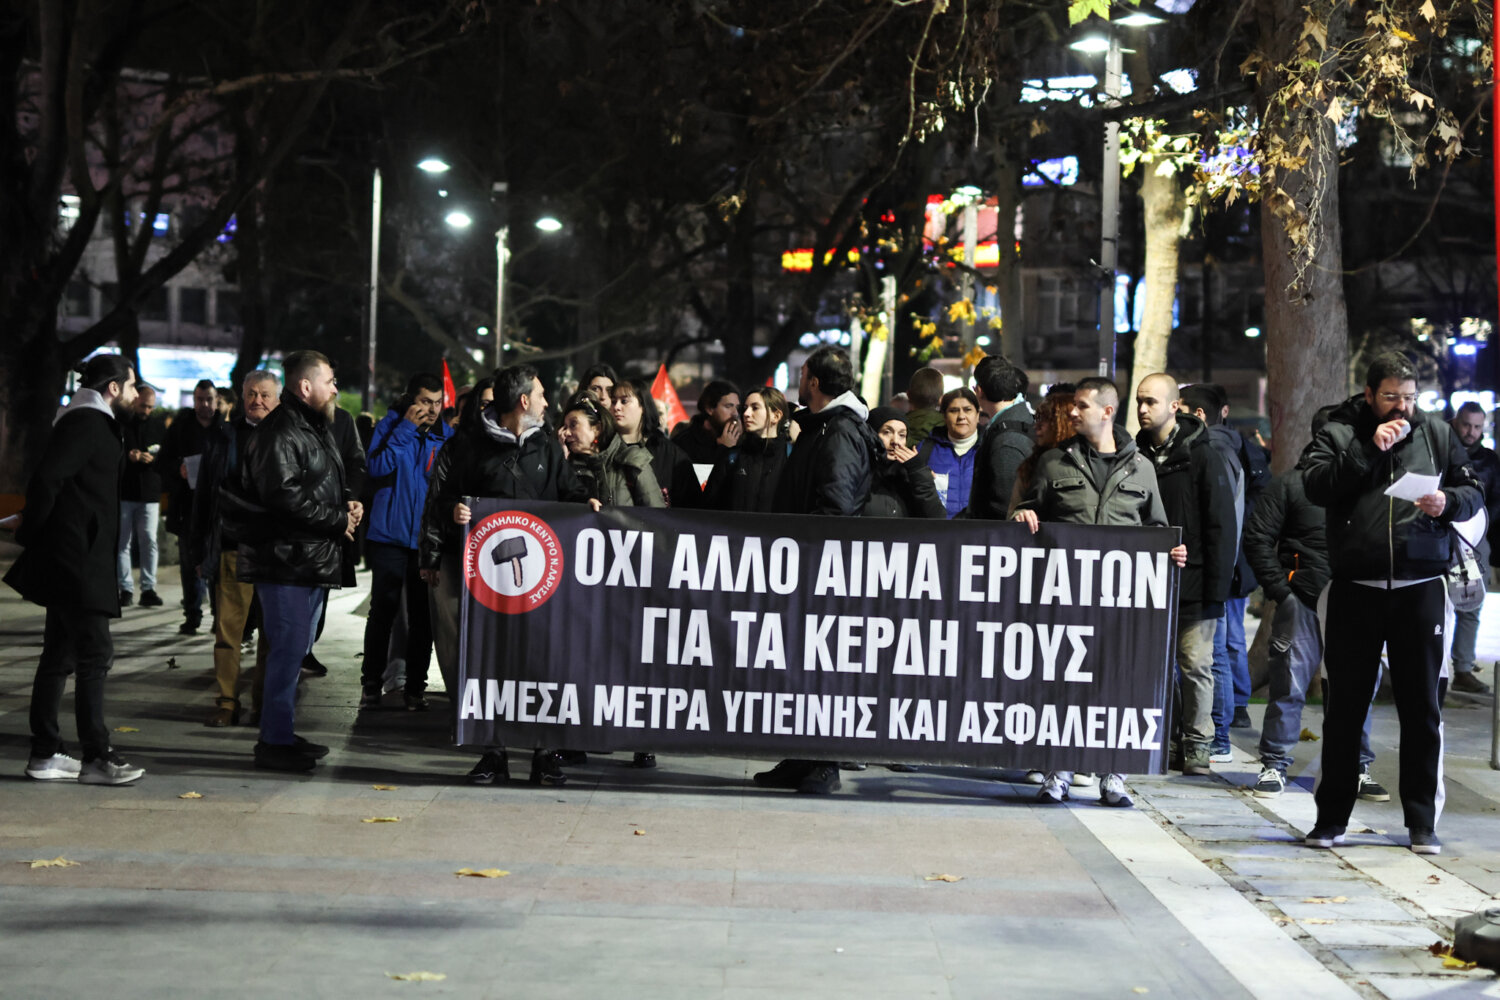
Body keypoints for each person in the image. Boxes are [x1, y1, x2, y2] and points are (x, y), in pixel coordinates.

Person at [1299, 351, 1481, 855]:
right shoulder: (1339, 431)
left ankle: (1422, 822)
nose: (1402, 407)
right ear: (1369, 394)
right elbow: (1315, 486)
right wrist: (1368, 450)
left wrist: (1448, 503)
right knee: (1345, 708)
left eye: (1409, 397)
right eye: (1390, 397)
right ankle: (1330, 819)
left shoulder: (1436, 433)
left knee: (1423, 709)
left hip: (1421, 587)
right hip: (1355, 587)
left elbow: (1472, 490)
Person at [1013, 377, 1188, 807]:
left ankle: (1114, 776)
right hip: (1064, 600)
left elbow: (1157, 529)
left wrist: (1173, 551)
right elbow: (1028, 511)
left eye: (1082, 406)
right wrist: (1020, 516)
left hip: (1121, 604)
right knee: (1062, 686)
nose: (1073, 412)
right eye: (1073, 405)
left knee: (1118, 686)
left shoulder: (1141, 467)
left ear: (1107, 412)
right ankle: (1058, 773)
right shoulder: (1054, 463)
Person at [420, 364, 596, 785]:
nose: (547, 403)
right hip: (487, 582)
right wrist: (454, 512)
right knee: (491, 662)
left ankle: (543, 753)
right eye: (541, 394)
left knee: (541, 660)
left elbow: (567, 491)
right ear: (523, 401)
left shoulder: (547, 447)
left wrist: (586, 503)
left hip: (541, 580)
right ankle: (493, 752)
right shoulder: (470, 446)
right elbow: (443, 497)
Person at [9, 355, 146, 785]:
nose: (136, 393)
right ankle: (96, 757)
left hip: (77, 555)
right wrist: (31, 531)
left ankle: (46, 753)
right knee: (94, 654)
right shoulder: (87, 422)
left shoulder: (92, 421)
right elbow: (48, 479)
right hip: (77, 560)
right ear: (113, 388)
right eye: (132, 386)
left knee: (59, 655)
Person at [1242, 406, 1387, 801]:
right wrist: (1282, 591)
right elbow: (1257, 538)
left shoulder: (1367, 482)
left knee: (1356, 689)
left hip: (1357, 601)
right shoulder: (1292, 484)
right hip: (1303, 601)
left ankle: (1356, 767)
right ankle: (1275, 764)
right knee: (1288, 686)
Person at [235, 351, 362, 772]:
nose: (335, 389)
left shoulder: (311, 425)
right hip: (283, 561)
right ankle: (274, 741)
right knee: (287, 649)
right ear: (306, 386)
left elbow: (321, 481)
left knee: (295, 650)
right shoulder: (281, 431)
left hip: (306, 558)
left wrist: (347, 504)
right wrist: (337, 520)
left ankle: (281, 733)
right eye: (330, 381)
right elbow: (283, 498)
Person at [758, 346, 876, 795]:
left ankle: (825, 761)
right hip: (807, 564)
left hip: (823, 568)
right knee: (801, 666)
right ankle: (802, 754)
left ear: (814, 381)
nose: (799, 381)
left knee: (824, 667)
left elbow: (837, 505)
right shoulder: (822, 424)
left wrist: (808, 550)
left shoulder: (840, 430)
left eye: (803, 373)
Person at [1135, 373, 1238, 777]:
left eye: (1151, 402)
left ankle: (1198, 743)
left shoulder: (1203, 455)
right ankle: (1171, 739)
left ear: (1174, 406)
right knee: (1158, 667)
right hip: (1149, 582)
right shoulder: (1135, 455)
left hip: (1194, 583)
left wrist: (1215, 592)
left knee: (1195, 665)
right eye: (1139, 401)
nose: (1142, 409)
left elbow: (1221, 526)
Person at [189, 370, 281, 727]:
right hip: (232, 547)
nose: (257, 400)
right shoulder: (223, 437)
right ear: (242, 398)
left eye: (265, 395)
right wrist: (199, 550)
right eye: (251, 394)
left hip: (276, 551)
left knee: (272, 636)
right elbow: (204, 495)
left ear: (277, 398)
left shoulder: (289, 436)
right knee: (228, 633)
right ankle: (227, 703)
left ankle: (263, 703)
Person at [359, 374, 452, 711]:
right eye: (425, 401)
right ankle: (371, 683)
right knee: (382, 611)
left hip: (424, 541)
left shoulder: (445, 436)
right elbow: (376, 467)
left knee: (422, 617)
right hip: (388, 535)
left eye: (437, 402)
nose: (432, 409)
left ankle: (415, 688)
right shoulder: (390, 426)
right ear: (411, 399)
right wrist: (405, 430)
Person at [426, 377, 493, 696]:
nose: (488, 411)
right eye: (484, 404)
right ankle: (459, 698)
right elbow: (435, 502)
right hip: (455, 552)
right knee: (451, 630)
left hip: (494, 560)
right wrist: (431, 556)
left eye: (495, 405)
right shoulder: (454, 448)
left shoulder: (516, 448)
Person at [160, 378, 223, 635]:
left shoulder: (225, 429)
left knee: (217, 566)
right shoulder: (181, 429)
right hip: (187, 506)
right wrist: (179, 470)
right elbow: (162, 461)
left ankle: (219, 616)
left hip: (217, 508)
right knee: (189, 563)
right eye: (199, 399)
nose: (204, 404)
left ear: (217, 400)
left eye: (209, 399)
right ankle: (192, 614)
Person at [1448, 400, 1500, 695]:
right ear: (1456, 421)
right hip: (1440, 536)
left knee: (1469, 603)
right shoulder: (1441, 446)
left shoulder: (1488, 460)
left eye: (1477, 427)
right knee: (1433, 605)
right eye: (1467, 424)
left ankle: (1463, 669)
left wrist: (1478, 528)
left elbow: (1496, 500)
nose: (1471, 431)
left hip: (1471, 541)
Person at [563, 392, 665, 509]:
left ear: (597, 428)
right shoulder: (569, 469)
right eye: (565, 427)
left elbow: (656, 513)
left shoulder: (632, 461)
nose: (566, 433)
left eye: (573, 425)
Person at [611, 377, 699, 507]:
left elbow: (691, 504)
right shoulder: (604, 449)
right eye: (613, 402)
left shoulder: (670, 454)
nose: (616, 407)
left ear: (643, 406)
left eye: (624, 401)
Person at [703, 387, 793, 512]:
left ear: (776, 416)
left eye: (755, 408)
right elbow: (709, 506)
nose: (746, 414)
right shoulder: (731, 457)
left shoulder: (793, 458)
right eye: (745, 408)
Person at [967, 355, 1033, 520]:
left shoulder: (1007, 440)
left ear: (979, 391)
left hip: (996, 534)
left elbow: (1004, 506)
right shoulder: (1017, 423)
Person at [117, 382, 164, 608]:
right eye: (144, 405)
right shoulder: (122, 424)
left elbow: (165, 454)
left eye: (150, 407)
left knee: (149, 541)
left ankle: (148, 588)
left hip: (150, 492)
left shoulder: (158, 426)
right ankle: (125, 588)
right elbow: (114, 453)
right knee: (123, 542)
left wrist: (152, 459)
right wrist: (129, 456)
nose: (146, 410)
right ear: (136, 401)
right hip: (126, 491)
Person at [863, 406, 945, 519]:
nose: (895, 441)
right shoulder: (858, 470)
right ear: (871, 434)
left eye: (902, 435)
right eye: (887, 432)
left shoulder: (911, 475)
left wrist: (918, 472)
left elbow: (937, 520)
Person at [1008, 384, 1075, 515]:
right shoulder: (1030, 465)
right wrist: (1019, 515)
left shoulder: (1083, 462)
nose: (1036, 426)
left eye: (1046, 420)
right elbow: (1013, 512)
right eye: (1037, 419)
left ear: (1063, 423)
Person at [918, 386, 981, 518]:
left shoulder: (989, 448)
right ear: (944, 416)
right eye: (954, 411)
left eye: (967, 410)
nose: (961, 416)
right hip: (937, 529)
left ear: (978, 415)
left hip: (979, 529)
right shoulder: (925, 449)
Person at [671, 379, 741, 467]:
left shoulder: (739, 440)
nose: (735, 413)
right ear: (709, 409)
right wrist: (723, 450)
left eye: (737, 407)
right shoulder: (684, 443)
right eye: (728, 406)